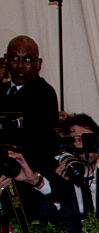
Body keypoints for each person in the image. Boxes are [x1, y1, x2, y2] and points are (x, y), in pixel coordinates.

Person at [0, 36, 59, 172]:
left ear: (38, 63)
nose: (20, 65)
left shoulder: (43, 92)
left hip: (29, 172)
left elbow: (37, 140)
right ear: (6, 60)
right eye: (14, 59)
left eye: (27, 60)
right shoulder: (3, 89)